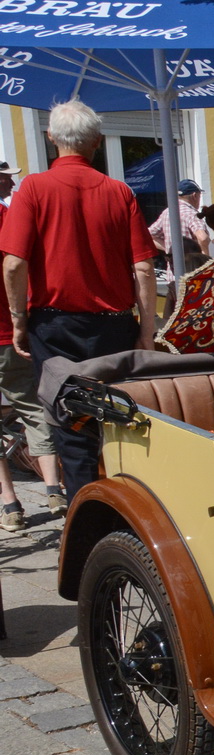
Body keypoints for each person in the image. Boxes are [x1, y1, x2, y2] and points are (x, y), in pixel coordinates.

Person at [0, 99, 155, 500]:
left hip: (55, 326)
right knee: (121, 421)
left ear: (51, 138)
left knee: (70, 427)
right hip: (115, 326)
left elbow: (14, 264)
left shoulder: (33, 188)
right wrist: (147, 333)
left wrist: (18, 320)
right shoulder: (119, 192)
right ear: (97, 143)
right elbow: (143, 269)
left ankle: (84, 518)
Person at [0, 178, 59, 530]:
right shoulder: (10, 218)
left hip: (9, 334)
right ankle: (53, 488)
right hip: (12, 334)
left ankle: (11, 507)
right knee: (33, 410)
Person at [149, 178, 209, 271]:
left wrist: (169, 249)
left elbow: (148, 236)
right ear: (195, 195)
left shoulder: (167, 212)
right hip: (192, 271)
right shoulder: (191, 214)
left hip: (173, 273)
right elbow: (203, 238)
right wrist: (206, 260)